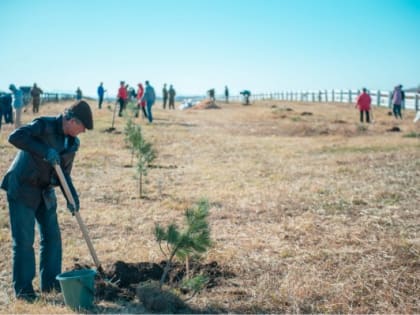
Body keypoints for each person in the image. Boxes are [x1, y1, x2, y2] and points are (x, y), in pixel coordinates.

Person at [1, 100, 93, 301]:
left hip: (45, 191)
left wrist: (73, 198)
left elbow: (65, 174)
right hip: (23, 187)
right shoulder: (44, 125)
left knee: (52, 238)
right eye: (82, 127)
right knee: (24, 241)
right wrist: (45, 151)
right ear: (72, 120)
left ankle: (51, 284)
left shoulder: (72, 143)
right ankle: (24, 292)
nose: (83, 132)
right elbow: (15, 137)